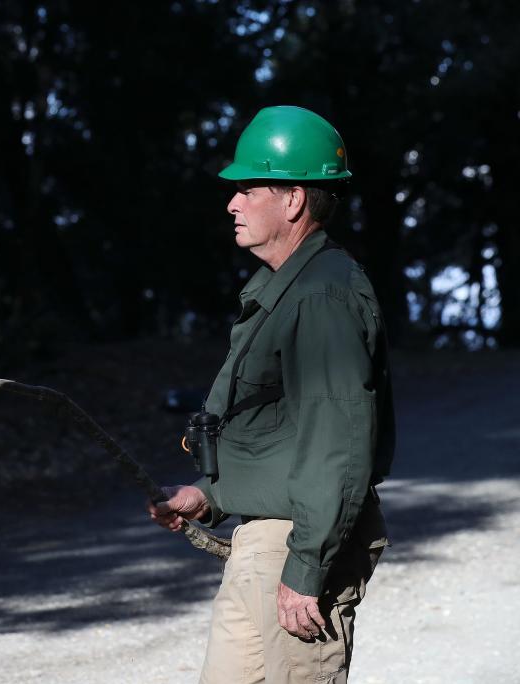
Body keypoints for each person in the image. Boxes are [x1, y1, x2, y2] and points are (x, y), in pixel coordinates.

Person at [148, 106, 393, 683]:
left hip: (297, 543)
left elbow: (338, 440)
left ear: (293, 200)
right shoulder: (287, 290)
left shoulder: (321, 296)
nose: (232, 203)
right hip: (263, 542)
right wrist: (208, 495)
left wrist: (307, 566)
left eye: (248, 188)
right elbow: (279, 427)